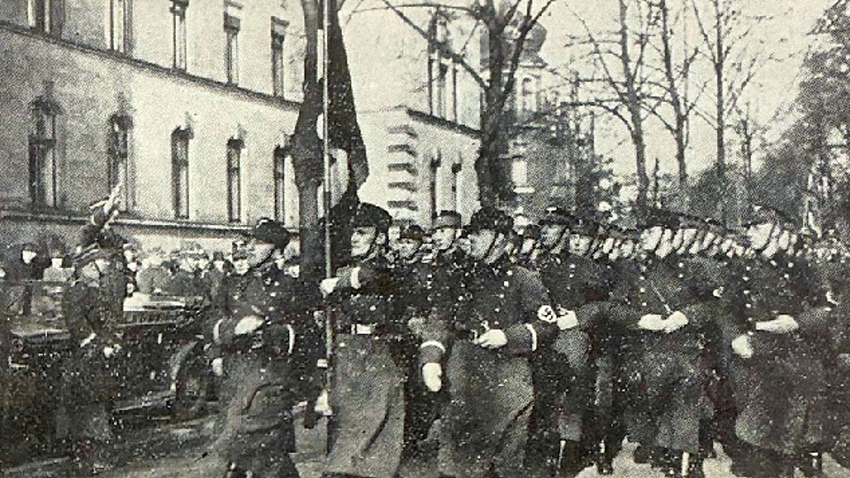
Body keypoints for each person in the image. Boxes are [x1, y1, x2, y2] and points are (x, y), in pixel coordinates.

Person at [419, 206, 558, 478]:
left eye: (481, 234)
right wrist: (431, 359)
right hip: (464, 370)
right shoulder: (458, 276)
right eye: (473, 234)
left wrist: (508, 336)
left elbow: (547, 325)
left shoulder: (524, 279)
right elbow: (440, 317)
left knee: (505, 461)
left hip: (507, 374)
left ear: (501, 240)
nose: (473, 240)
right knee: (456, 459)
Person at [208, 218, 320, 478]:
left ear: (277, 251)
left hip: (270, 378)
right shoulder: (233, 284)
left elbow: (308, 336)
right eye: (251, 242)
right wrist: (232, 329)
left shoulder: (292, 287)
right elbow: (209, 319)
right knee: (251, 458)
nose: (251, 248)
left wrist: (271, 334)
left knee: (253, 450)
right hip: (234, 378)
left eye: (259, 243)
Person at [728, 212, 831, 478]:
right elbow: (725, 310)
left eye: (757, 226)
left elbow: (827, 311)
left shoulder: (802, 269)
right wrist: (735, 335)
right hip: (752, 354)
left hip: (790, 355)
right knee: (754, 440)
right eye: (748, 226)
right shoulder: (740, 269)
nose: (750, 232)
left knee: (782, 440)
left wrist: (797, 322)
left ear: (775, 230)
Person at [320, 203, 403, 478]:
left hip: (377, 357)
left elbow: (376, 275)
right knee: (346, 443)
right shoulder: (346, 268)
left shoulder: (387, 266)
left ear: (379, 237)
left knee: (372, 451)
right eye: (352, 232)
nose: (354, 238)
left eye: (362, 232)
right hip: (347, 357)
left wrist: (342, 281)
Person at [61, 188, 126, 474]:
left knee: (103, 394)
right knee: (91, 397)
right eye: (108, 216)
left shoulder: (112, 245)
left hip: (108, 321)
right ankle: (89, 452)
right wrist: (104, 211)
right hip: (93, 329)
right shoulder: (88, 245)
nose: (112, 220)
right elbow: (88, 232)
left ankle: (96, 449)